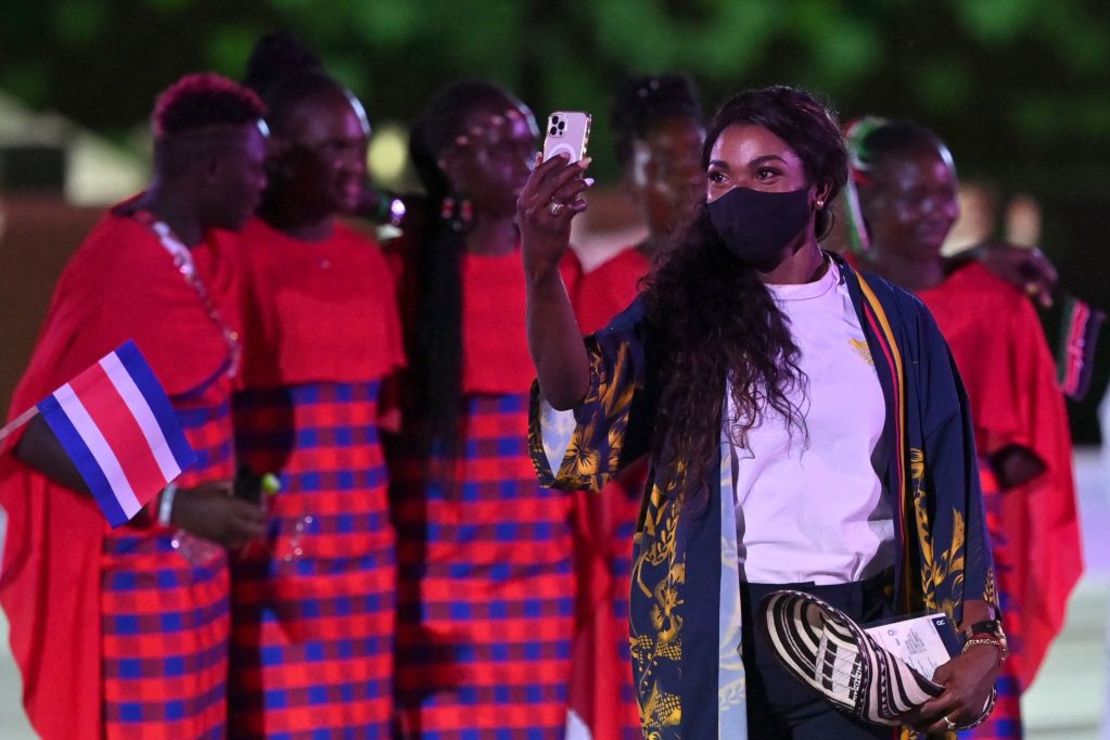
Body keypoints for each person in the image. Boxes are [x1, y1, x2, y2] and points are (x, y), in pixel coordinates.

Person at [521, 85, 1003, 738]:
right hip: (720, 629)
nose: (738, 193)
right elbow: (579, 413)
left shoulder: (894, 324)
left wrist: (981, 640)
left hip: (861, 640)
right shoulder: (684, 311)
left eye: (766, 173)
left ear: (822, 188)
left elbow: (951, 492)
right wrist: (542, 270)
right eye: (720, 176)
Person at [0, 73, 267, 739]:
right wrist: (177, 506)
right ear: (210, 168)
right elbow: (36, 433)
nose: (263, 185)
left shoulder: (196, 252)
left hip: (195, 581)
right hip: (139, 588)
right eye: (255, 169)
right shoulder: (124, 262)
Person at [847, 117, 1083, 739]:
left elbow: (1025, 456)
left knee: (969, 713)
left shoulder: (993, 301)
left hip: (967, 560)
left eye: (945, 193)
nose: (938, 211)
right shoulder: (833, 293)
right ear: (867, 198)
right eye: (914, 196)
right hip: (860, 547)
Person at [223, 33, 406, 737]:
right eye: (333, 150)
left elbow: (380, 419)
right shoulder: (234, 256)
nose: (353, 168)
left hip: (363, 550)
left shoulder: (367, 262)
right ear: (276, 157)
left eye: (357, 147)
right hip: (276, 550)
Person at [387, 80, 577, 737]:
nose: (525, 161)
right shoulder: (404, 271)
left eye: (531, 143)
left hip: (538, 573)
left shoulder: (563, 272)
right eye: (501, 146)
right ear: (449, 163)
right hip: (437, 575)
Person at [560, 73, 705, 739]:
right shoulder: (607, 288)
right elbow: (587, 440)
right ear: (634, 179)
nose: (688, 184)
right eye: (664, 168)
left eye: (699, 164)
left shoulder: (760, 277)